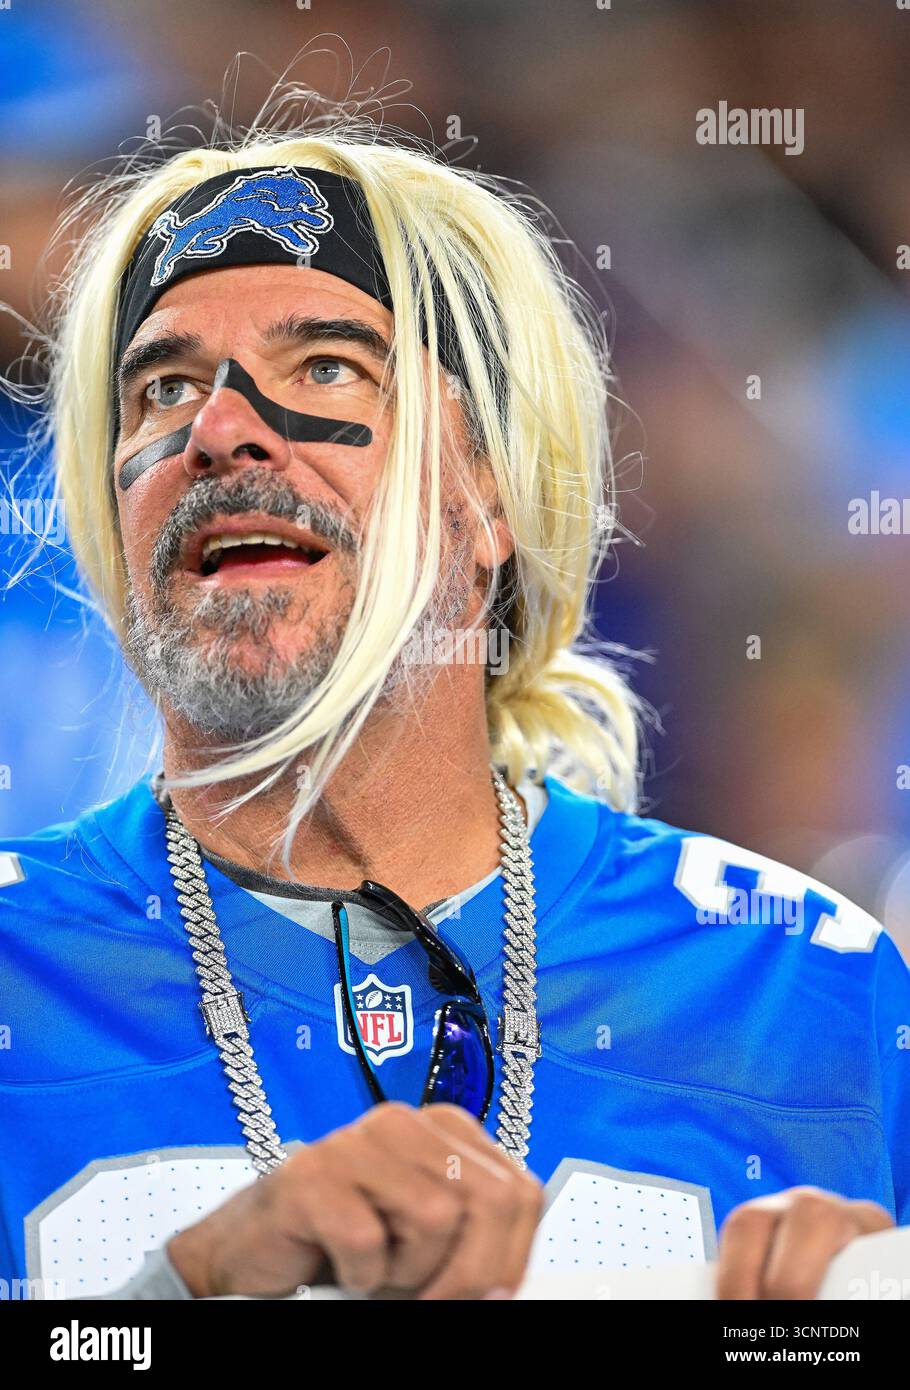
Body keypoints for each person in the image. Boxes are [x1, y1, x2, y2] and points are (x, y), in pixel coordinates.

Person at [0, 111, 906, 1302]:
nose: (217, 430)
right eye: (161, 388)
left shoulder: (803, 984)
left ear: (495, 491)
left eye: (325, 367)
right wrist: (185, 1288)